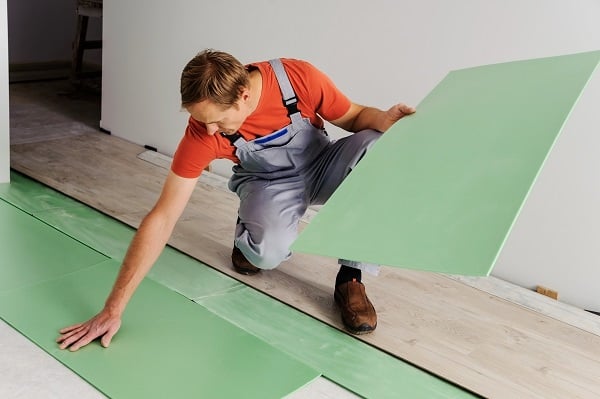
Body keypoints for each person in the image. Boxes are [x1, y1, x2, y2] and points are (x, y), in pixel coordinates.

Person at [57, 49, 415, 351]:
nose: (210, 131)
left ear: (243, 95)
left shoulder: (297, 77)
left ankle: (351, 278)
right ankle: (251, 240)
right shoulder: (202, 133)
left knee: (378, 146)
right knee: (267, 253)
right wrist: (112, 308)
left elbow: (354, 117)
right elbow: (163, 217)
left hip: (322, 166)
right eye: (202, 121)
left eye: (218, 121)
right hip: (268, 184)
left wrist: (383, 119)